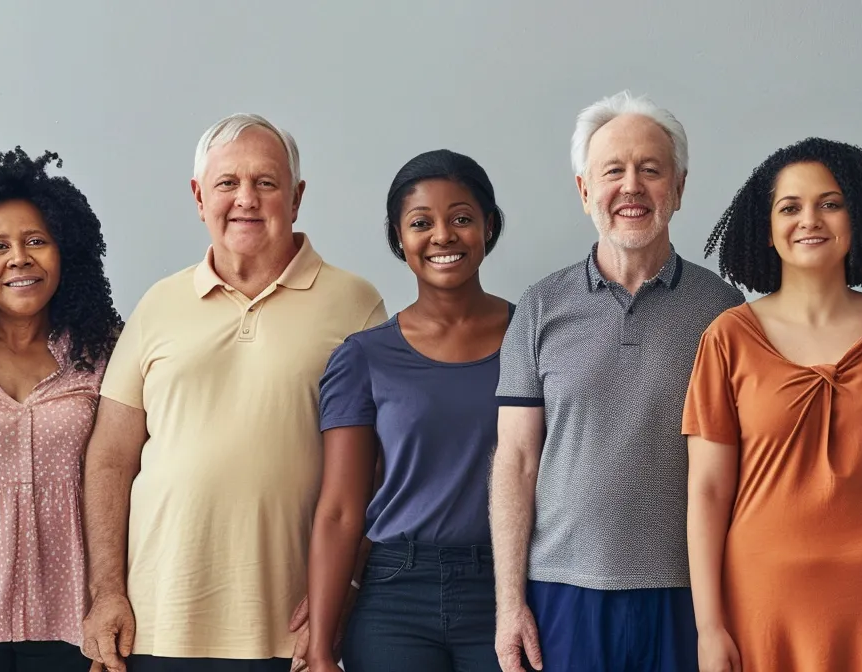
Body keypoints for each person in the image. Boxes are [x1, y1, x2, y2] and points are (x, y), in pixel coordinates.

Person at [81, 114, 387, 672]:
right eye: (227, 183)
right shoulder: (157, 304)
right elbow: (109, 458)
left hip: (293, 626)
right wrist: (107, 592)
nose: (245, 198)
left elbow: (378, 464)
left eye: (265, 183)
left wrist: (345, 585)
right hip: (158, 621)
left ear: (296, 197)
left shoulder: (355, 303)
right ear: (200, 197)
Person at [490, 91, 744, 672]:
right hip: (562, 590)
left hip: (688, 594)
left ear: (678, 189)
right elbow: (516, 460)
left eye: (650, 170)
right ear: (585, 191)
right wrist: (509, 605)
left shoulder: (725, 312)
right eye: (613, 171)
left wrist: (723, 614)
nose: (631, 186)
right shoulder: (539, 307)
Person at [684, 137, 862, 672]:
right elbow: (708, 490)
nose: (811, 220)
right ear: (767, 227)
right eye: (790, 207)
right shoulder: (728, 337)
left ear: (860, 215)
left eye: (830, 203)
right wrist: (708, 627)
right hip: (765, 597)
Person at [306, 149, 513, 672]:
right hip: (396, 592)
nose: (443, 236)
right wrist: (319, 646)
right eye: (421, 223)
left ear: (489, 226)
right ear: (399, 237)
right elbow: (339, 510)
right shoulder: (363, 357)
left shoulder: (533, 339)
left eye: (462, 218)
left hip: (508, 586)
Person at [0, 148, 123, 672]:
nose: (19, 257)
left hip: (77, 619)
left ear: (68, 252)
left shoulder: (107, 352)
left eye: (36, 240)